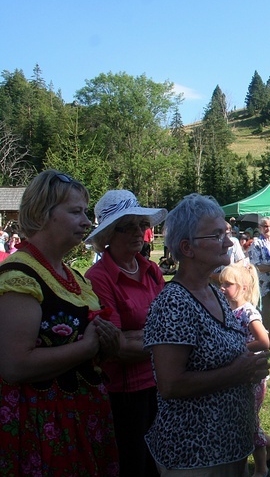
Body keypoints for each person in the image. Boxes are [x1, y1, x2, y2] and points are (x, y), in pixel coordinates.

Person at [0, 170, 121, 475]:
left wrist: (106, 343)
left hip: (78, 416)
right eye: (75, 211)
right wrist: (88, 347)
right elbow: (14, 365)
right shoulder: (19, 276)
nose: (86, 221)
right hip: (40, 423)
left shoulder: (72, 276)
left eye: (85, 211)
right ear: (43, 214)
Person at [143, 193, 270, 475]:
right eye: (216, 235)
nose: (228, 241)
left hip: (228, 447)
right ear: (187, 247)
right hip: (193, 455)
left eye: (225, 232)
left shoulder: (214, 291)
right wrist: (237, 372)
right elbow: (170, 385)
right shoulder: (174, 302)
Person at [84, 189, 167, 477]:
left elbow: (169, 324)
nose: (138, 232)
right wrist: (165, 341)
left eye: (141, 225)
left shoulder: (151, 270)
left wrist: (137, 337)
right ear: (107, 235)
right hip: (124, 394)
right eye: (127, 226)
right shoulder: (98, 278)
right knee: (133, 464)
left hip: (161, 384)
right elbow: (116, 346)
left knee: (160, 462)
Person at [219, 263, 270, 477]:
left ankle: (261, 469)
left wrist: (238, 347)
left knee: (250, 422)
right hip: (237, 372)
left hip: (253, 375)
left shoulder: (247, 312)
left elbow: (263, 341)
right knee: (242, 419)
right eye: (221, 284)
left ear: (243, 287)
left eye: (228, 284)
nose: (222, 288)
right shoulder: (226, 309)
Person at [249, 216, 270, 351]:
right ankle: (263, 341)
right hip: (262, 283)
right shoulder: (256, 243)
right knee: (263, 311)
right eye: (265, 226)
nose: (268, 229)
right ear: (260, 228)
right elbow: (255, 265)